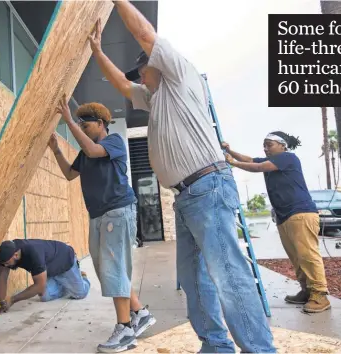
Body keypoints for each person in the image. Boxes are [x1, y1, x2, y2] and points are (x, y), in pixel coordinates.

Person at [87, 1, 276, 352]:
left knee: (229, 278)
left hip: (208, 188)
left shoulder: (178, 74)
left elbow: (145, 35)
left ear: (156, 65)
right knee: (195, 281)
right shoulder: (155, 97)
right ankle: (216, 346)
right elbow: (122, 86)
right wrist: (97, 51)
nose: (139, 78)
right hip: (188, 197)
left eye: (142, 70)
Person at [49, 96, 156, 353]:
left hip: (117, 212)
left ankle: (125, 328)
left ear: (100, 123)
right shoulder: (86, 153)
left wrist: (68, 121)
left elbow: (93, 150)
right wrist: (55, 148)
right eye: (80, 126)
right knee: (110, 268)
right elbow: (68, 174)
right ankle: (139, 313)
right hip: (98, 215)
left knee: (113, 268)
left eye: (85, 126)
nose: (82, 129)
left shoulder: (113, 142)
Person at [223, 132, 331, 313]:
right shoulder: (272, 160)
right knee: (296, 258)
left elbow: (258, 167)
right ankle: (307, 291)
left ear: (283, 145)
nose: (265, 148)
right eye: (264, 145)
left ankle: (320, 295)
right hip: (285, 216)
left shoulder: (287, 158)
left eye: (269, 144)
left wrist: (232, 163)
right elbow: (250, 160)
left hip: (301, 213)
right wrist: (230, 151)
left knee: (308, 256)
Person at [0, 239, 90, 311]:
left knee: (79, 294)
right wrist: (1, 302)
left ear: (15, 255)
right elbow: (2, 275)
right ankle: (65, 283)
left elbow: (39, 287)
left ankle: (83, 277)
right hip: (49, 270)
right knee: (45, 297)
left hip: (66, 263)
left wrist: (12, 300)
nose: (5, 266)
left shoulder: (34, 254)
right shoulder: (8, 252)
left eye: (6, 263)